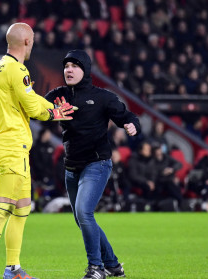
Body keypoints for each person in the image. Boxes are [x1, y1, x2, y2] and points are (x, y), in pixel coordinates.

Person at [0, 23, 75, 279]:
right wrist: (54, 113)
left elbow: (30, 98)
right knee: (3, 207)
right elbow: (31, 106)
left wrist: (52, 106)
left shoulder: (1, 67)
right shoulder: (18, 70)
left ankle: (13, 269)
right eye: (33, 41)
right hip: (11, 147)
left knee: (22, 208)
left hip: (15, 146)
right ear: (27, 42)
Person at [45, 49, 141, 279]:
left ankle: (96, 268)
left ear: (86, 70)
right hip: (72, 167)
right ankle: (113, 265)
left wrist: (131, 124)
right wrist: (49, 112)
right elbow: (34, 108)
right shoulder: (58, 95)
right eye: (66, 66)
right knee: (82, 218)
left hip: (97, 163)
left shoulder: (102, 97)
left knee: (83, 213)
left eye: (74, 66)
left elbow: (127, 116)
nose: (68, 69)